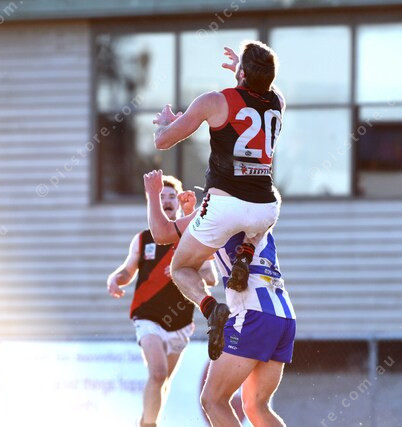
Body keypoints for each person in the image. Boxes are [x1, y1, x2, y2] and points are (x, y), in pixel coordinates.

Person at [152, 41, 286, 359]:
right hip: (265, 209)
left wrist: (166, 123)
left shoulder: (214, 101)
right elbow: (260, 92)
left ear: (241, 73)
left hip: (225, 206)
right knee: (267, 207)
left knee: (181, 267)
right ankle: (246, 253)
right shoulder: (279, 101)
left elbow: (163, 142)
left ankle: (211, 308)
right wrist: (246, 70)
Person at [143, 169, 295, 427]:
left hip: (252, 312)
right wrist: (190, 213)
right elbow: (216, 250)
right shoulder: (261, 206)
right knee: (256, 406)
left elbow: (161, 233)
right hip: (283, 313)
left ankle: (209, 307)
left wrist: (153, 193)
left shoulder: (216, 210)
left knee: (213, 400)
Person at [106, 175, 217, 427]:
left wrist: (183, 268)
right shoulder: (143, 239)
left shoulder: (191, 238)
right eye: (161, 196)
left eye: (171, 197)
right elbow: (127, 271)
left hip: (180, 321)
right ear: (152, 201)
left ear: (178, 202)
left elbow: (211, 278)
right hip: (147, 317)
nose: (166, 201)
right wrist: (114, 279)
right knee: (157, 372)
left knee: (163, 380)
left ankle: (147, 420)